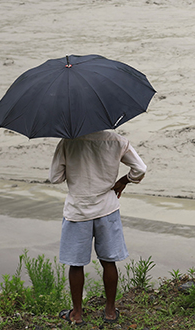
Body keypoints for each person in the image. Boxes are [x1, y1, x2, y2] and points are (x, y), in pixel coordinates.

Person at [49, 130, 147, 326]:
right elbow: (140, 169)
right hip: (107, 209)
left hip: (78, 210)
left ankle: (77, 314)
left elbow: (55, 178)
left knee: (76, 264)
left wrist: (75, 170)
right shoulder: (117, 141)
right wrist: (123, 181)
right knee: (108, 262)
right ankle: (110, 311)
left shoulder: (68, 142)